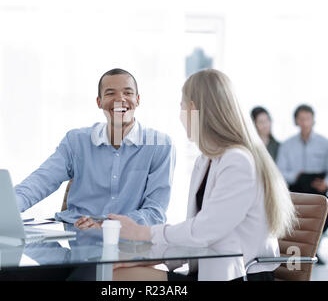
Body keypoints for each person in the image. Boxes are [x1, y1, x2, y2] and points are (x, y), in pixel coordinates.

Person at [0, 68, 175, 281]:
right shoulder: (76, 141)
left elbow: (155, 212)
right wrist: (4, 209)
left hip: (122, 248)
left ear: (137, 100)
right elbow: (40, 181)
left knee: (85, 278)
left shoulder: (159, 145)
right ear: (99, 102)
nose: (120, 99)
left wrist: (107, 224)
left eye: (127, 93)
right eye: (110, 93)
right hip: (72, 243)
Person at [108, 69, 296, 281]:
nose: (180, 116)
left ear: (194, 110)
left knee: (120, 279)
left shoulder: (238, 161)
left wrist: (143, 233)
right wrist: (146, 257)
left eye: (181, 107)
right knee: (118, 273)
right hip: (209, 273)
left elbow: (205, 230)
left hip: (238, 277)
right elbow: (195, 236)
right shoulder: (206, 160)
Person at [277, 104, 328, 265]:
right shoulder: (287, 145)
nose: (304, 122)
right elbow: (280, 172)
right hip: (295, 188)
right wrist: (296, 175)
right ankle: (295, 252)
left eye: (307, 119)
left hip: (317, 189)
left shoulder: (325, 144)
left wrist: (326, 182)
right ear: (296, 121)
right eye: (301, 119)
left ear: (313, 120)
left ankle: (314, 247)